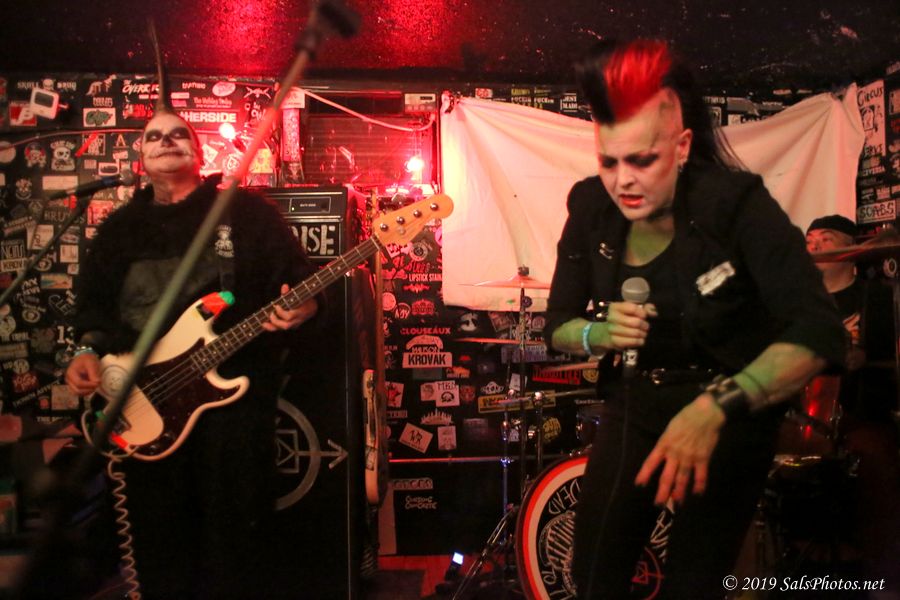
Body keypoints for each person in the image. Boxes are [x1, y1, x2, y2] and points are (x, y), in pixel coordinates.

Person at [545, 39, 845, 598]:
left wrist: (715, 407)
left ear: (682, 146)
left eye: (643, 160)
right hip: (637, 403)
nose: (623, 181)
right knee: (593, 578)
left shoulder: (735, 204)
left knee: (694, 584)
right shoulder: (589, 207)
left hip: (731, 411)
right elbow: (556, 323)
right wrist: (595, 333)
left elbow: (819, 331)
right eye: (609, 161)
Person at [64, 105, 319, 598]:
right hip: (144, 400)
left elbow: (299, 279)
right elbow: (93, 306)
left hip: (235, 406)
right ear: (141, 157)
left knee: (236, 531)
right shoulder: (120, 229)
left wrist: (308, 305)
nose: (166, 140)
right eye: (153, 136)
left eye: (178, 133)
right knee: (159, 535)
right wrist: (85, 351)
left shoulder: (245, 215)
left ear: (199, 152)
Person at [805, 215, 900, 594]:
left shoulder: (877, 298)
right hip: (801, 417)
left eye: (826, 239)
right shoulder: (795, 302)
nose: (814, 245)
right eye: (809, 239)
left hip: (859, 412)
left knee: (875, 456)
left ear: (852, 250)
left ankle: (882, 578)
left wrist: (863, 354)